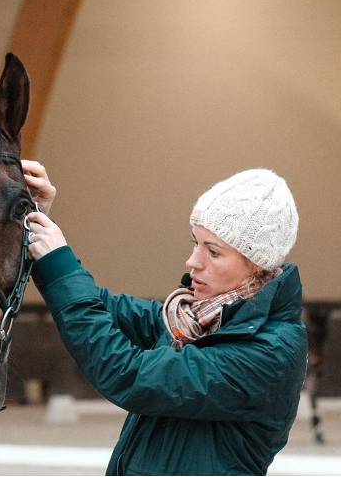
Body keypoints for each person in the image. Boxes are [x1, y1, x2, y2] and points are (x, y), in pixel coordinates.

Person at [22, 163, 305, 476]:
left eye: (212, 251)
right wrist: (39, 221)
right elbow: (102, 306)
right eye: (195, 242)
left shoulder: (268, 353)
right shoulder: (190, 319)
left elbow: (127, 374)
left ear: (256, 264)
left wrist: (58, 260)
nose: (192, 261)